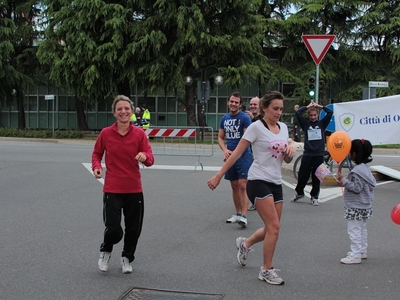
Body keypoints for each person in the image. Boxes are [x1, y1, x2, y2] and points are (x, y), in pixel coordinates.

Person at [208, 91, 296, 285]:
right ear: (265, 108)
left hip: (276, 181)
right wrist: (219, 174)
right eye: (275, 108)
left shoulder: (283, 128)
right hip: (257, 181)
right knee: (274, 227)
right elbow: (237, 154)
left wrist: (290, 152)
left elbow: (285, 159)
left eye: (281, 109)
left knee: (271, 228)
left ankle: (245, 244)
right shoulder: (255, 127)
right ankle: (266, 270)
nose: (278, 113)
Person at [92, 95, 154, 274]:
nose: (123, 111)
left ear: (131, 111)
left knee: (133, 228)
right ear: (114, 113)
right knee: (114, 229)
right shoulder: (106, 133)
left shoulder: (139, 134)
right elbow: (96, 154)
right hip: (112, 188)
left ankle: (127, 257)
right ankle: (106, 250)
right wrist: (97, 168)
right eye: (119, 109)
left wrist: (145, 157)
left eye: (126, 108)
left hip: (134, 189)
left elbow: (150, 158)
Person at [337, 139, 376, 264]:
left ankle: (355, 255)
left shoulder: (357, 171)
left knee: (354, 230)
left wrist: (344, 181)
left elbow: (356, 188)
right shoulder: (365, 169)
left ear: (354, 154)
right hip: (365, 205)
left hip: (356, 206)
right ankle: (361, 251)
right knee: (362, 229)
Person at [218, 91, 252, 227]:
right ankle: (237, 213)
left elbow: (247, 138)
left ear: (240, 104)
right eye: (231, 101)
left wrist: (237, 152)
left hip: (243, 156)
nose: (233, 104)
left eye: (236, 102)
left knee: (243, 186)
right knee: (234, 186)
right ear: (228, 102)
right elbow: (220, 137)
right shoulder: (224, 119)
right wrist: (225, 150)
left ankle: (244, 215)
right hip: (230, 157)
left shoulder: (245, 118)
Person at [291, 102, 333, 206]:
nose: (313, 117)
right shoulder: (305, 124)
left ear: (317, 115)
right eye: (311, 115)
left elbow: (330, 112)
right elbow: (298, 113)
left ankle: (315, 196)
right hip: (308, 154)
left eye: (315, 115)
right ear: (308, 116)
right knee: (302, 175)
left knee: (318, 176)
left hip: (319, 154)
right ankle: (299, 192)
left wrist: (320, 106)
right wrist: (307, 107)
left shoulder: (322, 124)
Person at [247, 96, 262, 211]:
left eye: (255, 104)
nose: (252, 106)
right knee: (250, 178)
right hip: (249, 152)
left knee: (257, 179)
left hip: (259, 154)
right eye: (251, 104)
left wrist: (252, 119)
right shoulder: (247, 118)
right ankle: (255, 200)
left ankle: (258, 201)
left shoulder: (263, 119)